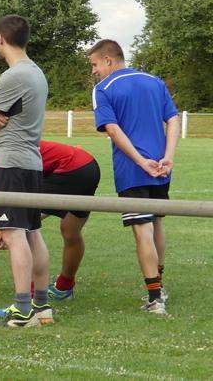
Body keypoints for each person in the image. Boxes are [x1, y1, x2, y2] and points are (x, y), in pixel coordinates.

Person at [0, 120, 101, 308]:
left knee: (22, 228)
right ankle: (64, 286)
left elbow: (1, 212)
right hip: (88, 165)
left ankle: (32, 300)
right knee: (70, 232)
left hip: (70, 169)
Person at [88, 39, 179, 316]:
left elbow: (113, 130)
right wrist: (168, 156)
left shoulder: (103, 89)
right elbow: (173, 119)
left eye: (94, 64)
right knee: (157, 224)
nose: (93, 71)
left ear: (108, 60)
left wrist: (140, 161)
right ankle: (159, 289)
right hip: (162, 167)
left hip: (133, 170)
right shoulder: (155, 81)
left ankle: (155, 298)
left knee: (143, 230)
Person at [0, 15, 52, 327]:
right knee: (33, 232)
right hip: (32, 162)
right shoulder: (36, 72)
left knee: (14, 233)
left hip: (12, 163)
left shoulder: (13, 76)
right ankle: (42, 305)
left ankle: (22, 310)